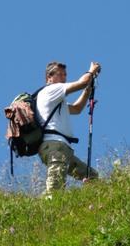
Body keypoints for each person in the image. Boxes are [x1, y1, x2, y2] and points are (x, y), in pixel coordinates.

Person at [36, 60, 101, 195]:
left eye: (65, 75)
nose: (64, 78)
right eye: (60, 74)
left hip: (61, 147)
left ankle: (95, 201)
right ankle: (48, 208)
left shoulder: (55, 100)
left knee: (92, 177)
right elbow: (82, 82)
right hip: (55, 146)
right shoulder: (51, 90)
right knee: (55, 190)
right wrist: (91, 71)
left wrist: (88, 90)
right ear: (49, 78)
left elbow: (77, 109)